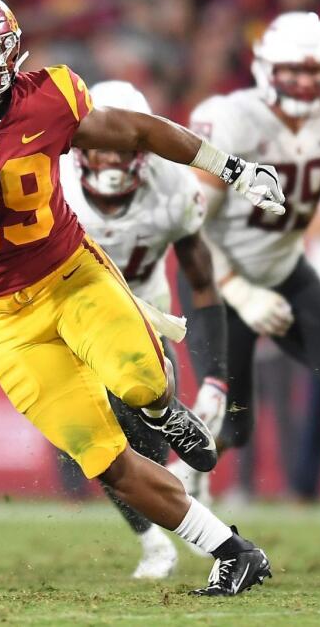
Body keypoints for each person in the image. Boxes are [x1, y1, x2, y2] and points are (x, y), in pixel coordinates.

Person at [0, 0, 286, 596]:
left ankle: (159, 408)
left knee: (142, 381)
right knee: (106, 461)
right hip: (5, 318)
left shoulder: (49, 96)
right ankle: (233, 552)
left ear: (7, 55)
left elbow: (136, 130)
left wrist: (233, 170)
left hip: (73, 277)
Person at [182, 11, 320, 558]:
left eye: (317, 72)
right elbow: (187, 221)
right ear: (266, 69)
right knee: (225, 425)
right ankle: (189, 504)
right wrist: (239, 290)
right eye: (294, 71)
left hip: (288, 271)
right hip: (220, 281)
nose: (307, 83)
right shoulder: (231, 119)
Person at [59, 80, 229, 580]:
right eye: (99, 146)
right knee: (96, 442)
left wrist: (216, 377)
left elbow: (201, 283)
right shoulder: (51, 185)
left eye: (123, 145)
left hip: (144, 316)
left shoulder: (176, 189)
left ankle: (178, 514)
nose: (110, 158)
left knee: (141, 432)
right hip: (68, 316)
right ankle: (156, 539)